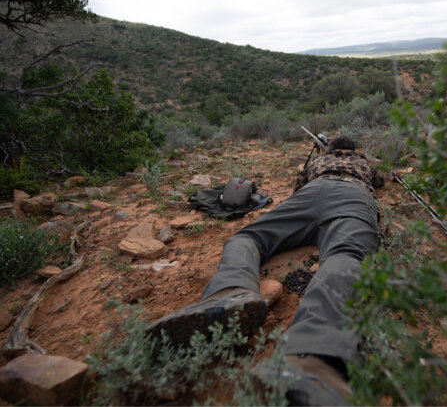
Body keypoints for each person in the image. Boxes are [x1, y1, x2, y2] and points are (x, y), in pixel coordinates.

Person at [147, 135, 385, 405]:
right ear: (354, 150)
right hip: (353, 196)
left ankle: (229, 290)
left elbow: (299, 186)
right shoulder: (364, 161)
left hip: (312, 193)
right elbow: (379, 182)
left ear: (329, 149)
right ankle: (314, 359)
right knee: (346, 254)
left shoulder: (318, 159)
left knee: (246, 239)